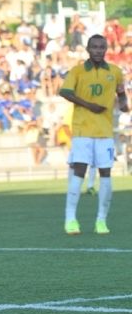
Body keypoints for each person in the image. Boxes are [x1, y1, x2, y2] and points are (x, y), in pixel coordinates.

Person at [59, 34, 128, 235]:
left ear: (106, 49)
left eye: (101, 47)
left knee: (105, 173)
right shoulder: (78, 71)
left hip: (105, 131)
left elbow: (121, 94)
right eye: (94, 47)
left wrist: (124, 104)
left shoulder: (115, 72)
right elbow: (65, 92)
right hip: (82, 130)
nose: (98, 50)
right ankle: (70, 219)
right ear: (88, 49)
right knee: (79, 171)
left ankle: (101, 221)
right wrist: (89, 105)